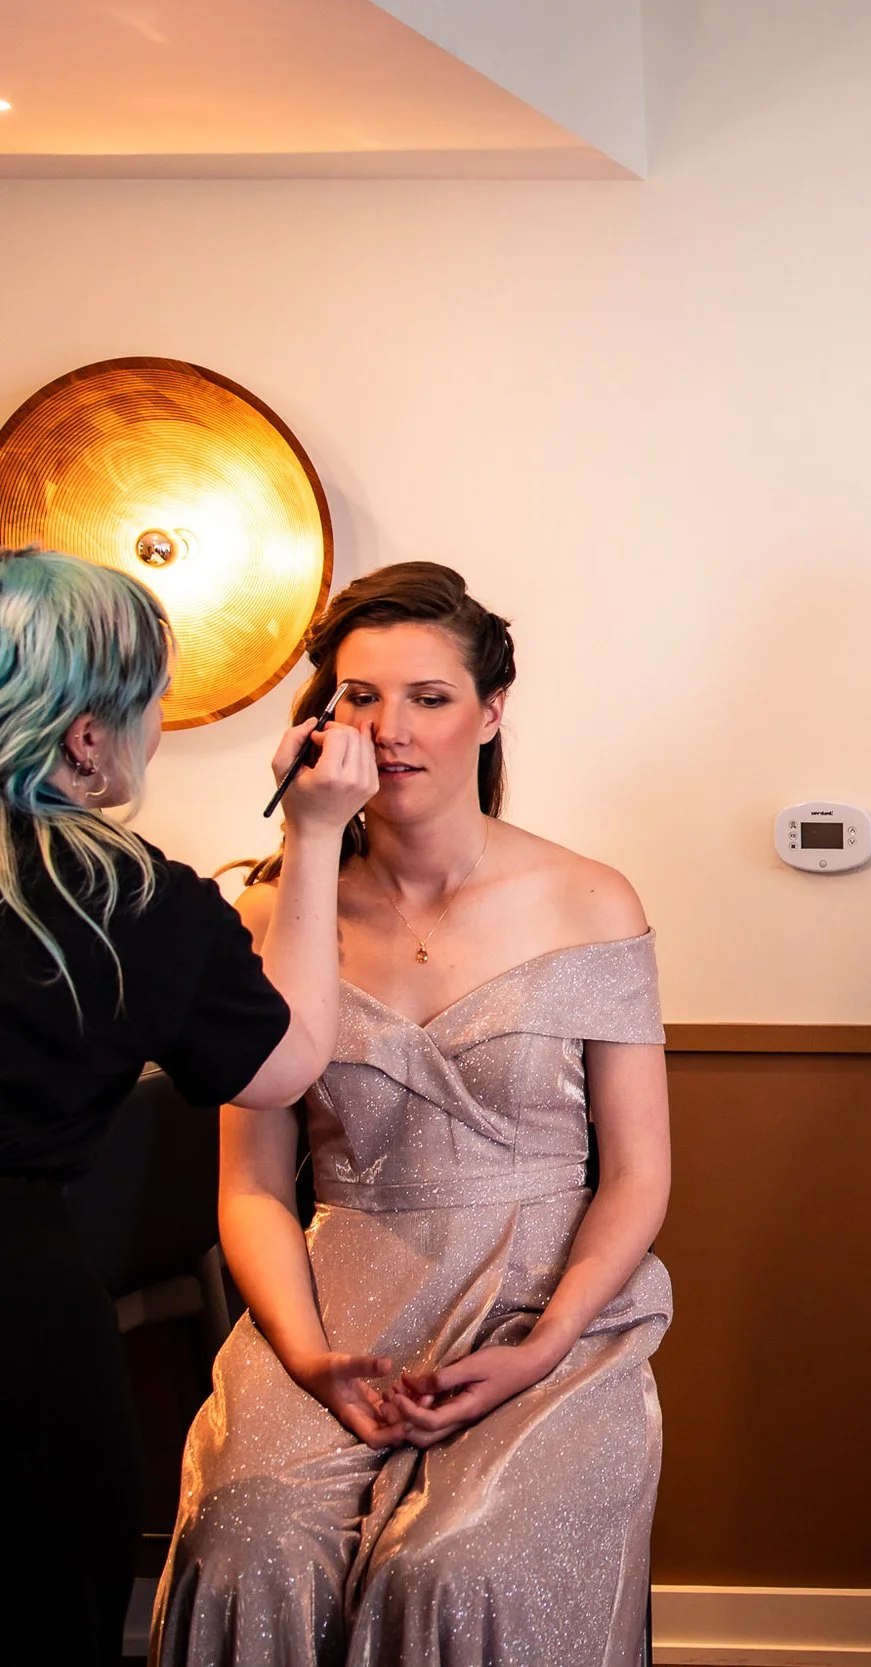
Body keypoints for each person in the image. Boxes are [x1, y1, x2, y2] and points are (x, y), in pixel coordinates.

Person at [155, 562, 672, 1667]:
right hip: (336, 1300)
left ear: (489, 712)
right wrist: (308, 1355)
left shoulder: (590, 898)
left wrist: (542, 1346)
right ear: (321, 718)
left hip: (544, 1299)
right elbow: (252, 1183)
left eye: (428, 697)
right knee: (246, 1540)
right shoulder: (268, 910)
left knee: (456, 1564)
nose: (388, 729)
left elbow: (637, 1172)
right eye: (360, 696)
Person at [0, 548, 373, 1664]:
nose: (156, 727)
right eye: (153, 703)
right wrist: (314, 834)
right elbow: (284, 1065)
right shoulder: (115, 893)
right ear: (86, 738)